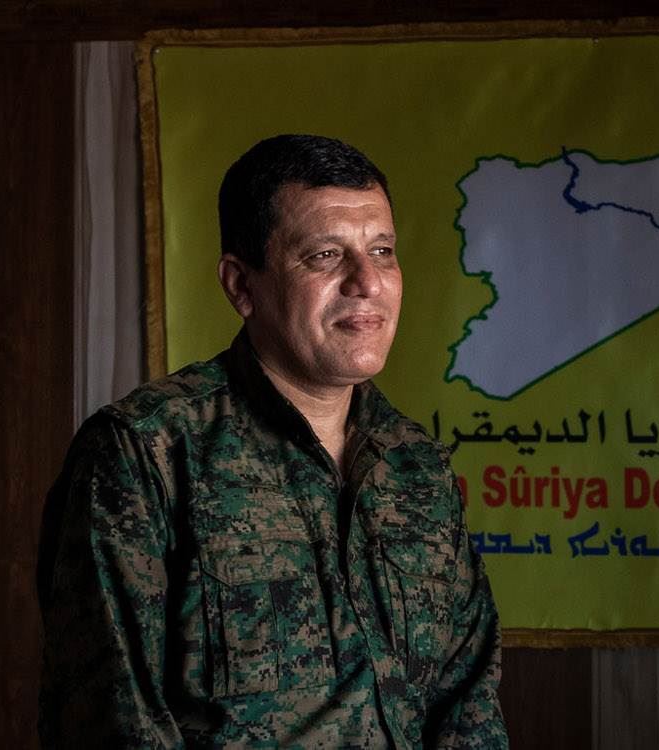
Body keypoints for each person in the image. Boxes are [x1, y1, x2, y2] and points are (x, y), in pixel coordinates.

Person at [38, 134, 507, 748]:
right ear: (241, 285)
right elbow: (112, 722)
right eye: (325, 255)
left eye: (382, 251)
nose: (367, 282)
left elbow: (469, 704)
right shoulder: (144, 454)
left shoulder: (416, 465)